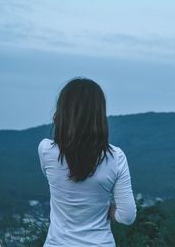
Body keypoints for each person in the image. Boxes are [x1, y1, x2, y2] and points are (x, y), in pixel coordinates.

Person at [38, 77, 136, 246]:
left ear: (63, 111)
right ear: (99, 114)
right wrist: (106, 208)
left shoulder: (46, 150)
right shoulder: (116, 157)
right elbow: (127, 217)